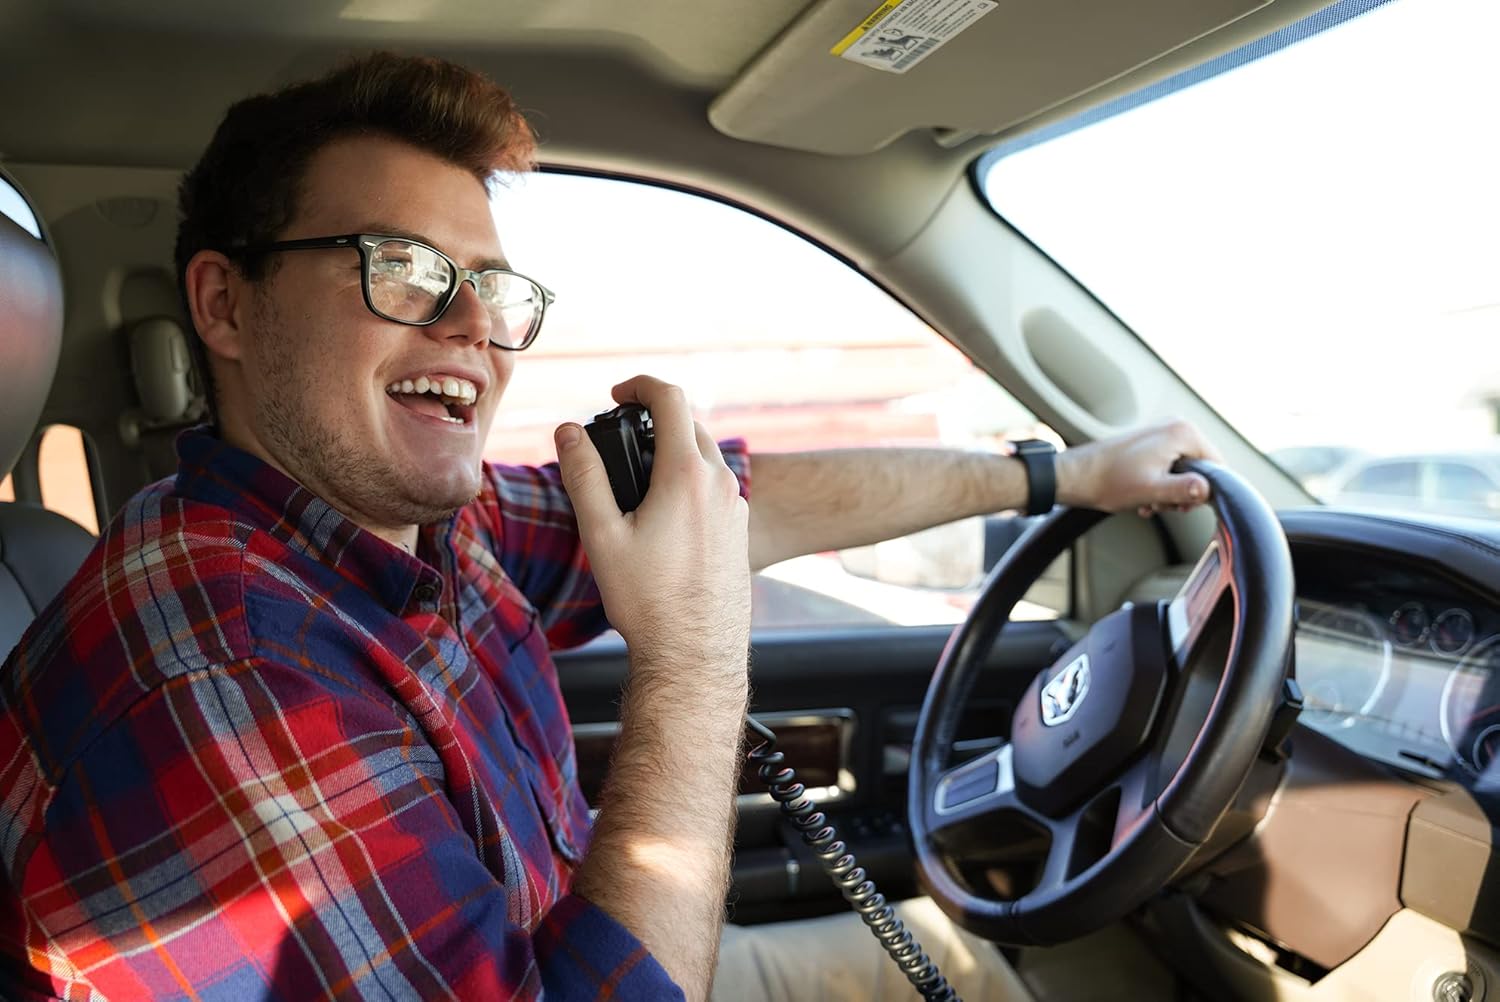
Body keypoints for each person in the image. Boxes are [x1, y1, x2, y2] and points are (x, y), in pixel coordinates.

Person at [0, 53, 1218, 1001]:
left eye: (491, 286)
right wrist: (691, 661)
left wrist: (1065, 473)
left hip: (584, 947)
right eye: (402, 267)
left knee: (952, 963)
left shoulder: (424, 527)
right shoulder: (218, 667)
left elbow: (746, 503)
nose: (472, 327)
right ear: (225, 305)